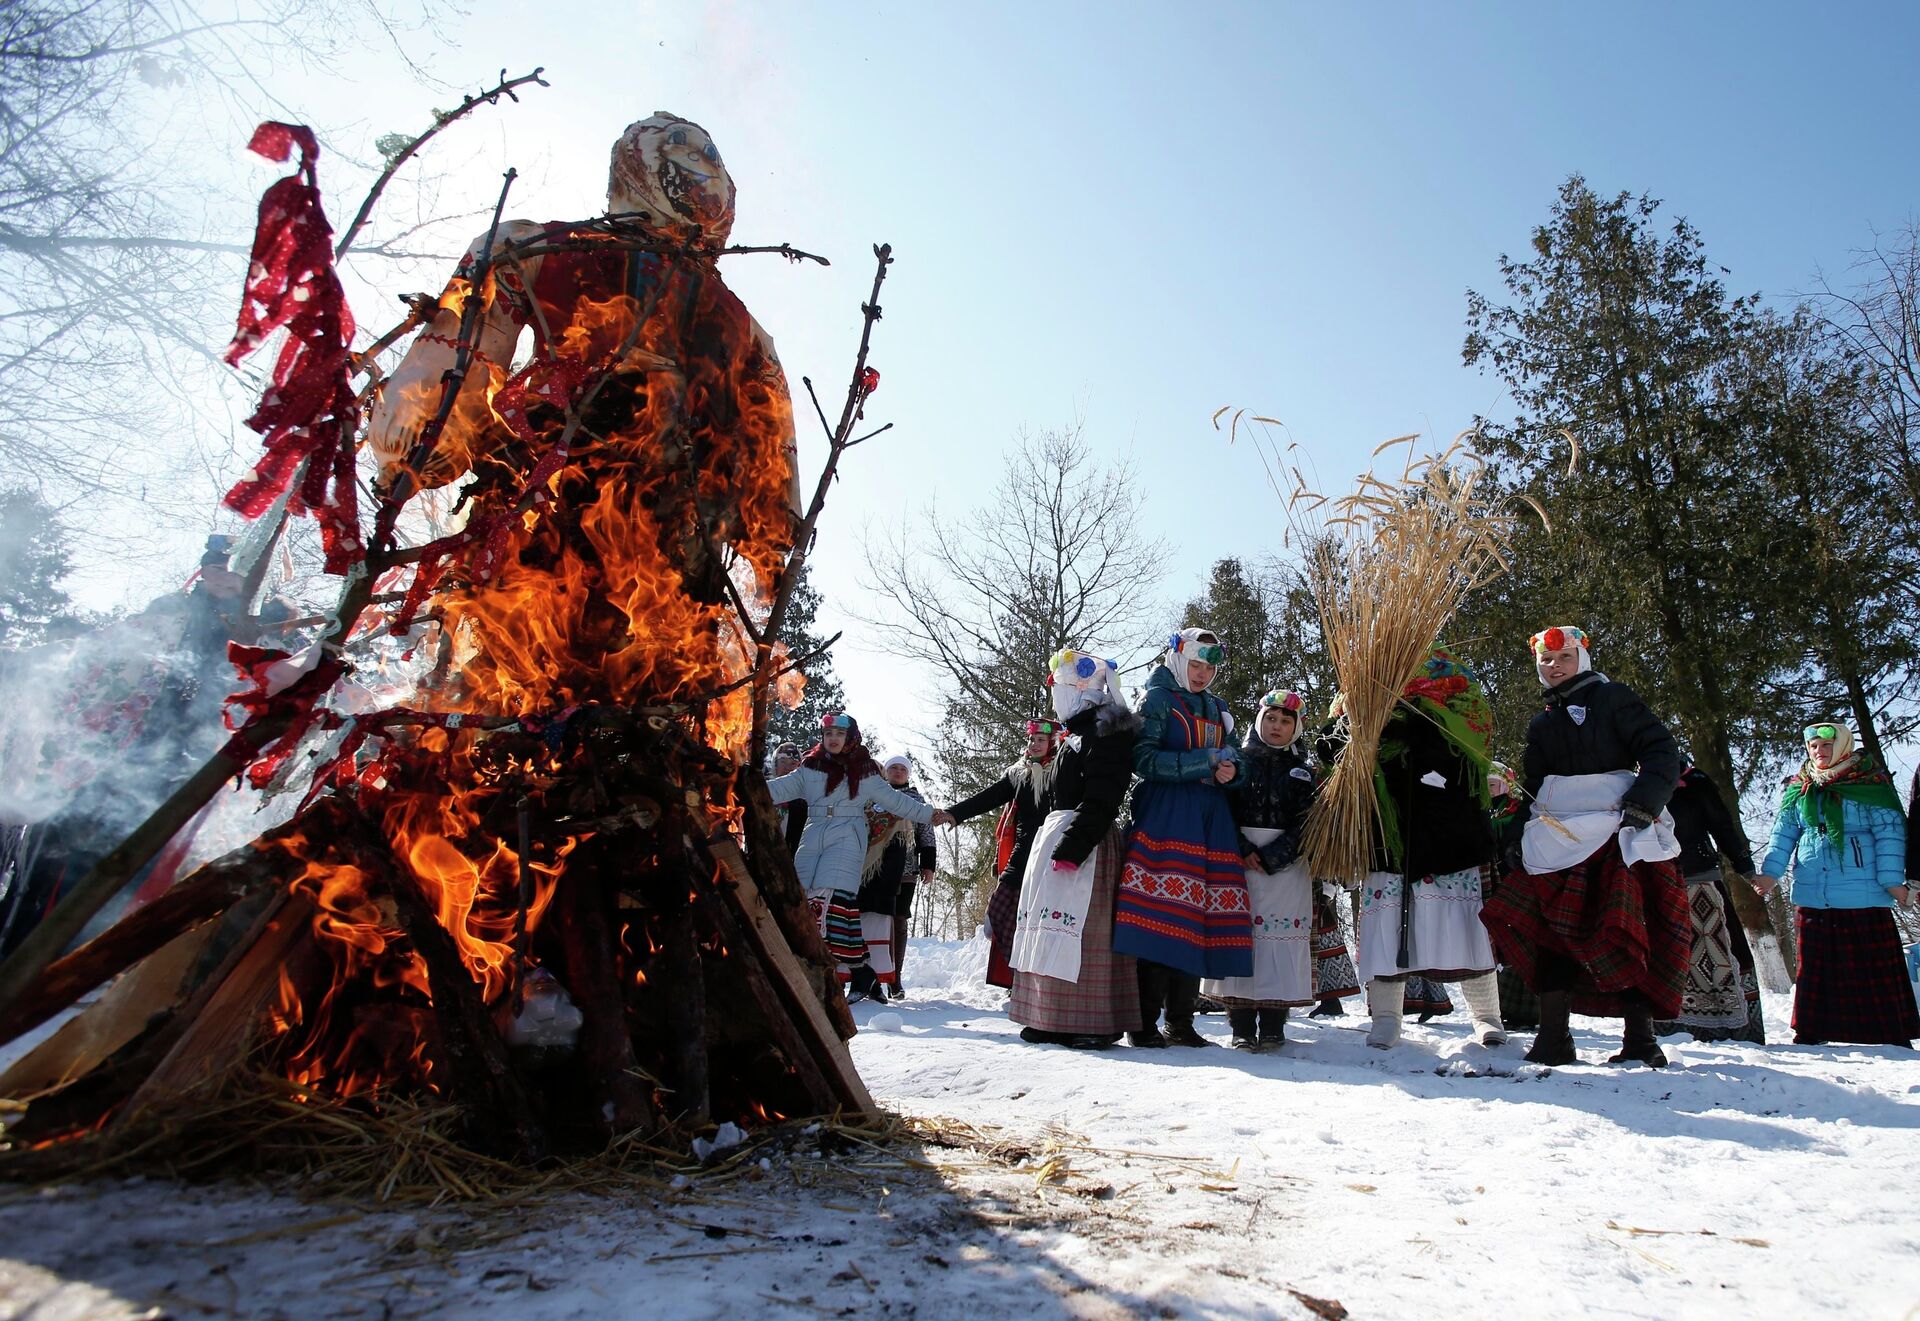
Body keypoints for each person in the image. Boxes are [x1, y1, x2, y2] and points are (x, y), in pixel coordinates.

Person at [1479, 626, 1690, 1067]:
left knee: (1624, 928)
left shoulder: (1615, 699)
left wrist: (1644, 803)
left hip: (1617, 830)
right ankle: (1554, 1038)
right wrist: (1518, 834)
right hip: (1556, 837)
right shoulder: (1543, 722)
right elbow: (1534, 786)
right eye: (1546, 662)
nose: (1554, 667)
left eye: (1563, 658)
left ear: (1582, 658)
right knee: (1554, 932)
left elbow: (1662, 752)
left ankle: (1641, 1040)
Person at [1327, 648, 1505, 1050]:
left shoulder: (1452, 676)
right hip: (1388, 829)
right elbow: (1335, 739)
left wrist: (1421, 729)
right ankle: (1387, 1017)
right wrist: (1363, 733)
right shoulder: (1361, 685)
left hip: (1448, 827)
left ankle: (1486, 1017)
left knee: (1465, 926)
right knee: (1387, 928)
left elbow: (1473, 741)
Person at [1114, 628, 1248, 1048]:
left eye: (1210, 667)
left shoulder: (1217, 707)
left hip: (1210, 821)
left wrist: (1233, 771)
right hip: (1167, 817)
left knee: (1199, 919)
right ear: (1178, 659)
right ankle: (1144, 1023)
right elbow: (1142, 758)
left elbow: (1235, 755)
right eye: (1196, 664)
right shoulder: (1157, 700)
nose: (1203, 673)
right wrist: (1203, 761)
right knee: (1161, 917)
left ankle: (1182, 1021)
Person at [1007, 649, 1144, 1049]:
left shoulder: (1106, 734)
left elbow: (1103, 795)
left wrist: (1073, 846)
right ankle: (1050, 1017)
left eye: (1059, 688)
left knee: (1085, 930)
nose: (1055, 696)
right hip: (1060, 836)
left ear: (1078, 691)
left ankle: (1094, 1021)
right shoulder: (1076, 735)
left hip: (1087, 843)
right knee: (1052, 926)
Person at [1754, 721, 1917, 1048]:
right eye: (1814, 747)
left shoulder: (1870, 783)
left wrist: (1892, 882)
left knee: (1871, 969)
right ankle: (1811, 1030)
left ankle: (1889, 1033)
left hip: (1865, 894)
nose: (1820, 752)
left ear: (1843, 745)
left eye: (1826, 746)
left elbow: (1890, 835)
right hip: (1814, 891)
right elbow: (1783, 834)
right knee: (1816, 970)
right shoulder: (1800, 788)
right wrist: (1771, 873)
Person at [765, 714, 952, 987]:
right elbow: (777, 789)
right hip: (814, 831)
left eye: (839, 734)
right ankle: (837, 970)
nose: (833, 739)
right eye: (828, 734)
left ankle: (854, 971)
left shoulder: (864, 772)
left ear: (850, 737)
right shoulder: (811, 768)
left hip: (847, 835)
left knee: (831, 901)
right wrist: (736, 786)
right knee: (803, 899)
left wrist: (929, 814)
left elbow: (896, 801)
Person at [1202, 689, 1318, 1050]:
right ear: (1259, 721)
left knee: (1275, 946)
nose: (1277, 726)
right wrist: (1243, 848)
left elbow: (1310, 823)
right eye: (1271, 718)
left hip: (1287, 869)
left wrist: (1274, 856)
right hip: (1239, 865)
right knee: (1242, 940)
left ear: (1296, 727)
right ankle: (1240, 1026)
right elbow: (1222, 809)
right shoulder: (1238, 764)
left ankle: (1272, 1025)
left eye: (1285, 721)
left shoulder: (1304, 773)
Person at [1652, 764, 1767, 1044]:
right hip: (1655, 881)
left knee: (1723, 950)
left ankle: (1739, 1030)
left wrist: (1746, 868)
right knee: (1668, 954)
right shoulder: (1633, 783)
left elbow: (1722, 824)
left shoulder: (1695, 782)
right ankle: (1669, 1029)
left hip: (1700, 875)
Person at [947, 720, 1061, 989]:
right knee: (998, 912)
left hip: (1051, 855)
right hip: (1022, 855)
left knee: (1039, 920)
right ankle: (1018, 972)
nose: (1033, 745)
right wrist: (955, 813)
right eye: (1031, 739)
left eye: (1040, 741)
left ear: (1052, 744)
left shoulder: (1060, 772)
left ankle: (1032, 982)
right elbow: (990, 797)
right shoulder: (1018, 774)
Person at [851, 754, 936, 1002]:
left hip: (906, 869)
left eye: (902, 769)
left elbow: (926, 833)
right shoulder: (871, 796)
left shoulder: (915, 800)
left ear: (908, 774)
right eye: (893, 768)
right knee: (872, 919)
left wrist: (928, 864)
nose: (898, 772)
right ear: (885, 772)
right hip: (871, 868)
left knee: (898, 921)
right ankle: (870, 975)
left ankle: (894, 977)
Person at [1306, 887, 1361, 1017]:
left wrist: (1326, 893)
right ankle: (1329, 1001)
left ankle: (1330, 1001)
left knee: (1323, 946)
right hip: (1310, 894)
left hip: (1314, 896)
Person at [769, 742, 806, 855]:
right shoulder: (763, 791)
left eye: (793, 763)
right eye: (783, 762)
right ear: (775, 764)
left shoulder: (805, 800)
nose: (787, 767)